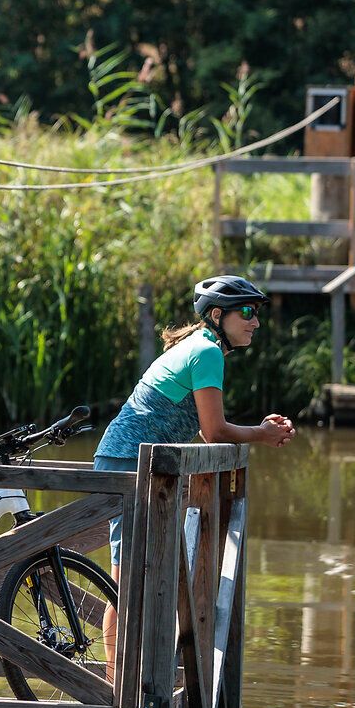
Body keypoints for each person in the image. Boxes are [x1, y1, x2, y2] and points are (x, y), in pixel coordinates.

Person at [92, 274, 295, 673]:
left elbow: (206, 429)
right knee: (128, 583)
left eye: (256, 314)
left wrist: (258, 430)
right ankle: (117, 690)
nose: (256, 322)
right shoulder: (207, 352)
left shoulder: (201, 347)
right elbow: (216, 431)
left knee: (139, 582)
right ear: (218, 315)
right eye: (248, 313)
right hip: (127, 465)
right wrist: (264, 435)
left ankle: (127, 683)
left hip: (138, 463)